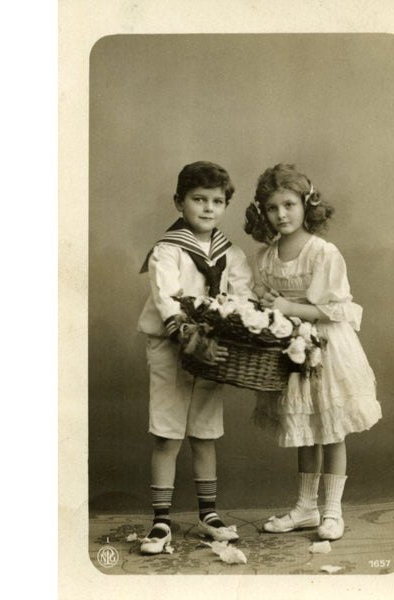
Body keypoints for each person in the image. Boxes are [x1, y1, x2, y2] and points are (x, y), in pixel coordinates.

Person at [244, 163, 382, 541]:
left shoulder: (322, 252)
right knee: (305, 430)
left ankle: (332, 511)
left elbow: (337, 309)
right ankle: (306, 508)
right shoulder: (267, 256)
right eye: (272, 208)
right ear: (263, 212)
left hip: (327, 347)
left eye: (289, 204)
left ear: (306, 205)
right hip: (292, 350)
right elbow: (267, 302)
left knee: (331, 430)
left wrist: (290, 309)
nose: (281, 214)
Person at [137, 161, 254, 554]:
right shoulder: (167, 250)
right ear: (179, 202)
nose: (207, 208)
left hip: (212, 351)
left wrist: (233, 330)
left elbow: (241, 298)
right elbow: (165, 296)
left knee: (205, 433)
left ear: (225, 205)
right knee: (168, 433)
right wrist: (185, 334)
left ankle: (208, 514)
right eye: (198, 199)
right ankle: (161, 521)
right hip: (172, 347)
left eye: (217, 201)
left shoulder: (232, 254)